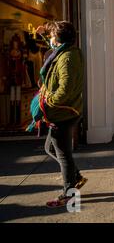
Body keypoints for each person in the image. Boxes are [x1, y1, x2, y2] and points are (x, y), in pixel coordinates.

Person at [29, 21, 87, 208]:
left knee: (63, 155)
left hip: (63, 113)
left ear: (60, 39)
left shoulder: (67, 58)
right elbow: (52, 48)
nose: (51, 41)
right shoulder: (64, 51)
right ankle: (75, 177)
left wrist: (48, 101)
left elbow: (65, 88)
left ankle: (69, 193)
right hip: (65, 111)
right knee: (52, 149)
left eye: (53, 37)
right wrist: (45, 32)